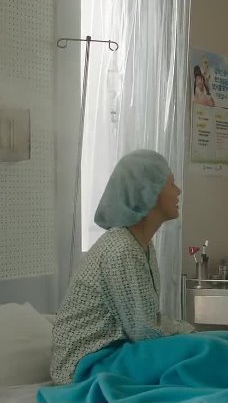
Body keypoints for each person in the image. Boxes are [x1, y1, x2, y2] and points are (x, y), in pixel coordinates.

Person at [50, 150, 194, 385]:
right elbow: (145, 331)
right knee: (205, 350)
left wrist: (186, 333)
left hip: (116, 352)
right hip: (86, 365)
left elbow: (146, 324)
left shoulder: (141, 245)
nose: (178, 191)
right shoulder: (121, 248)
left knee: (218, 344)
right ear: (148, 191)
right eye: (171, 184)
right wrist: (188, 333)